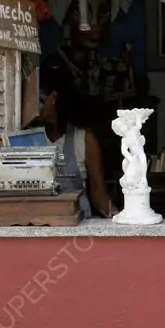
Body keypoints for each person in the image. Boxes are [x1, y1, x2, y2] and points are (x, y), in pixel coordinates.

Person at [38, 59, 117, 219]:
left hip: (77, 229)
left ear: (53, 97)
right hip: (40, 226)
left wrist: (119, 219)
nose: (33, 105)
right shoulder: (30, 139)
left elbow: (98, 193)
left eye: (40, 99)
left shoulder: (84, 139)